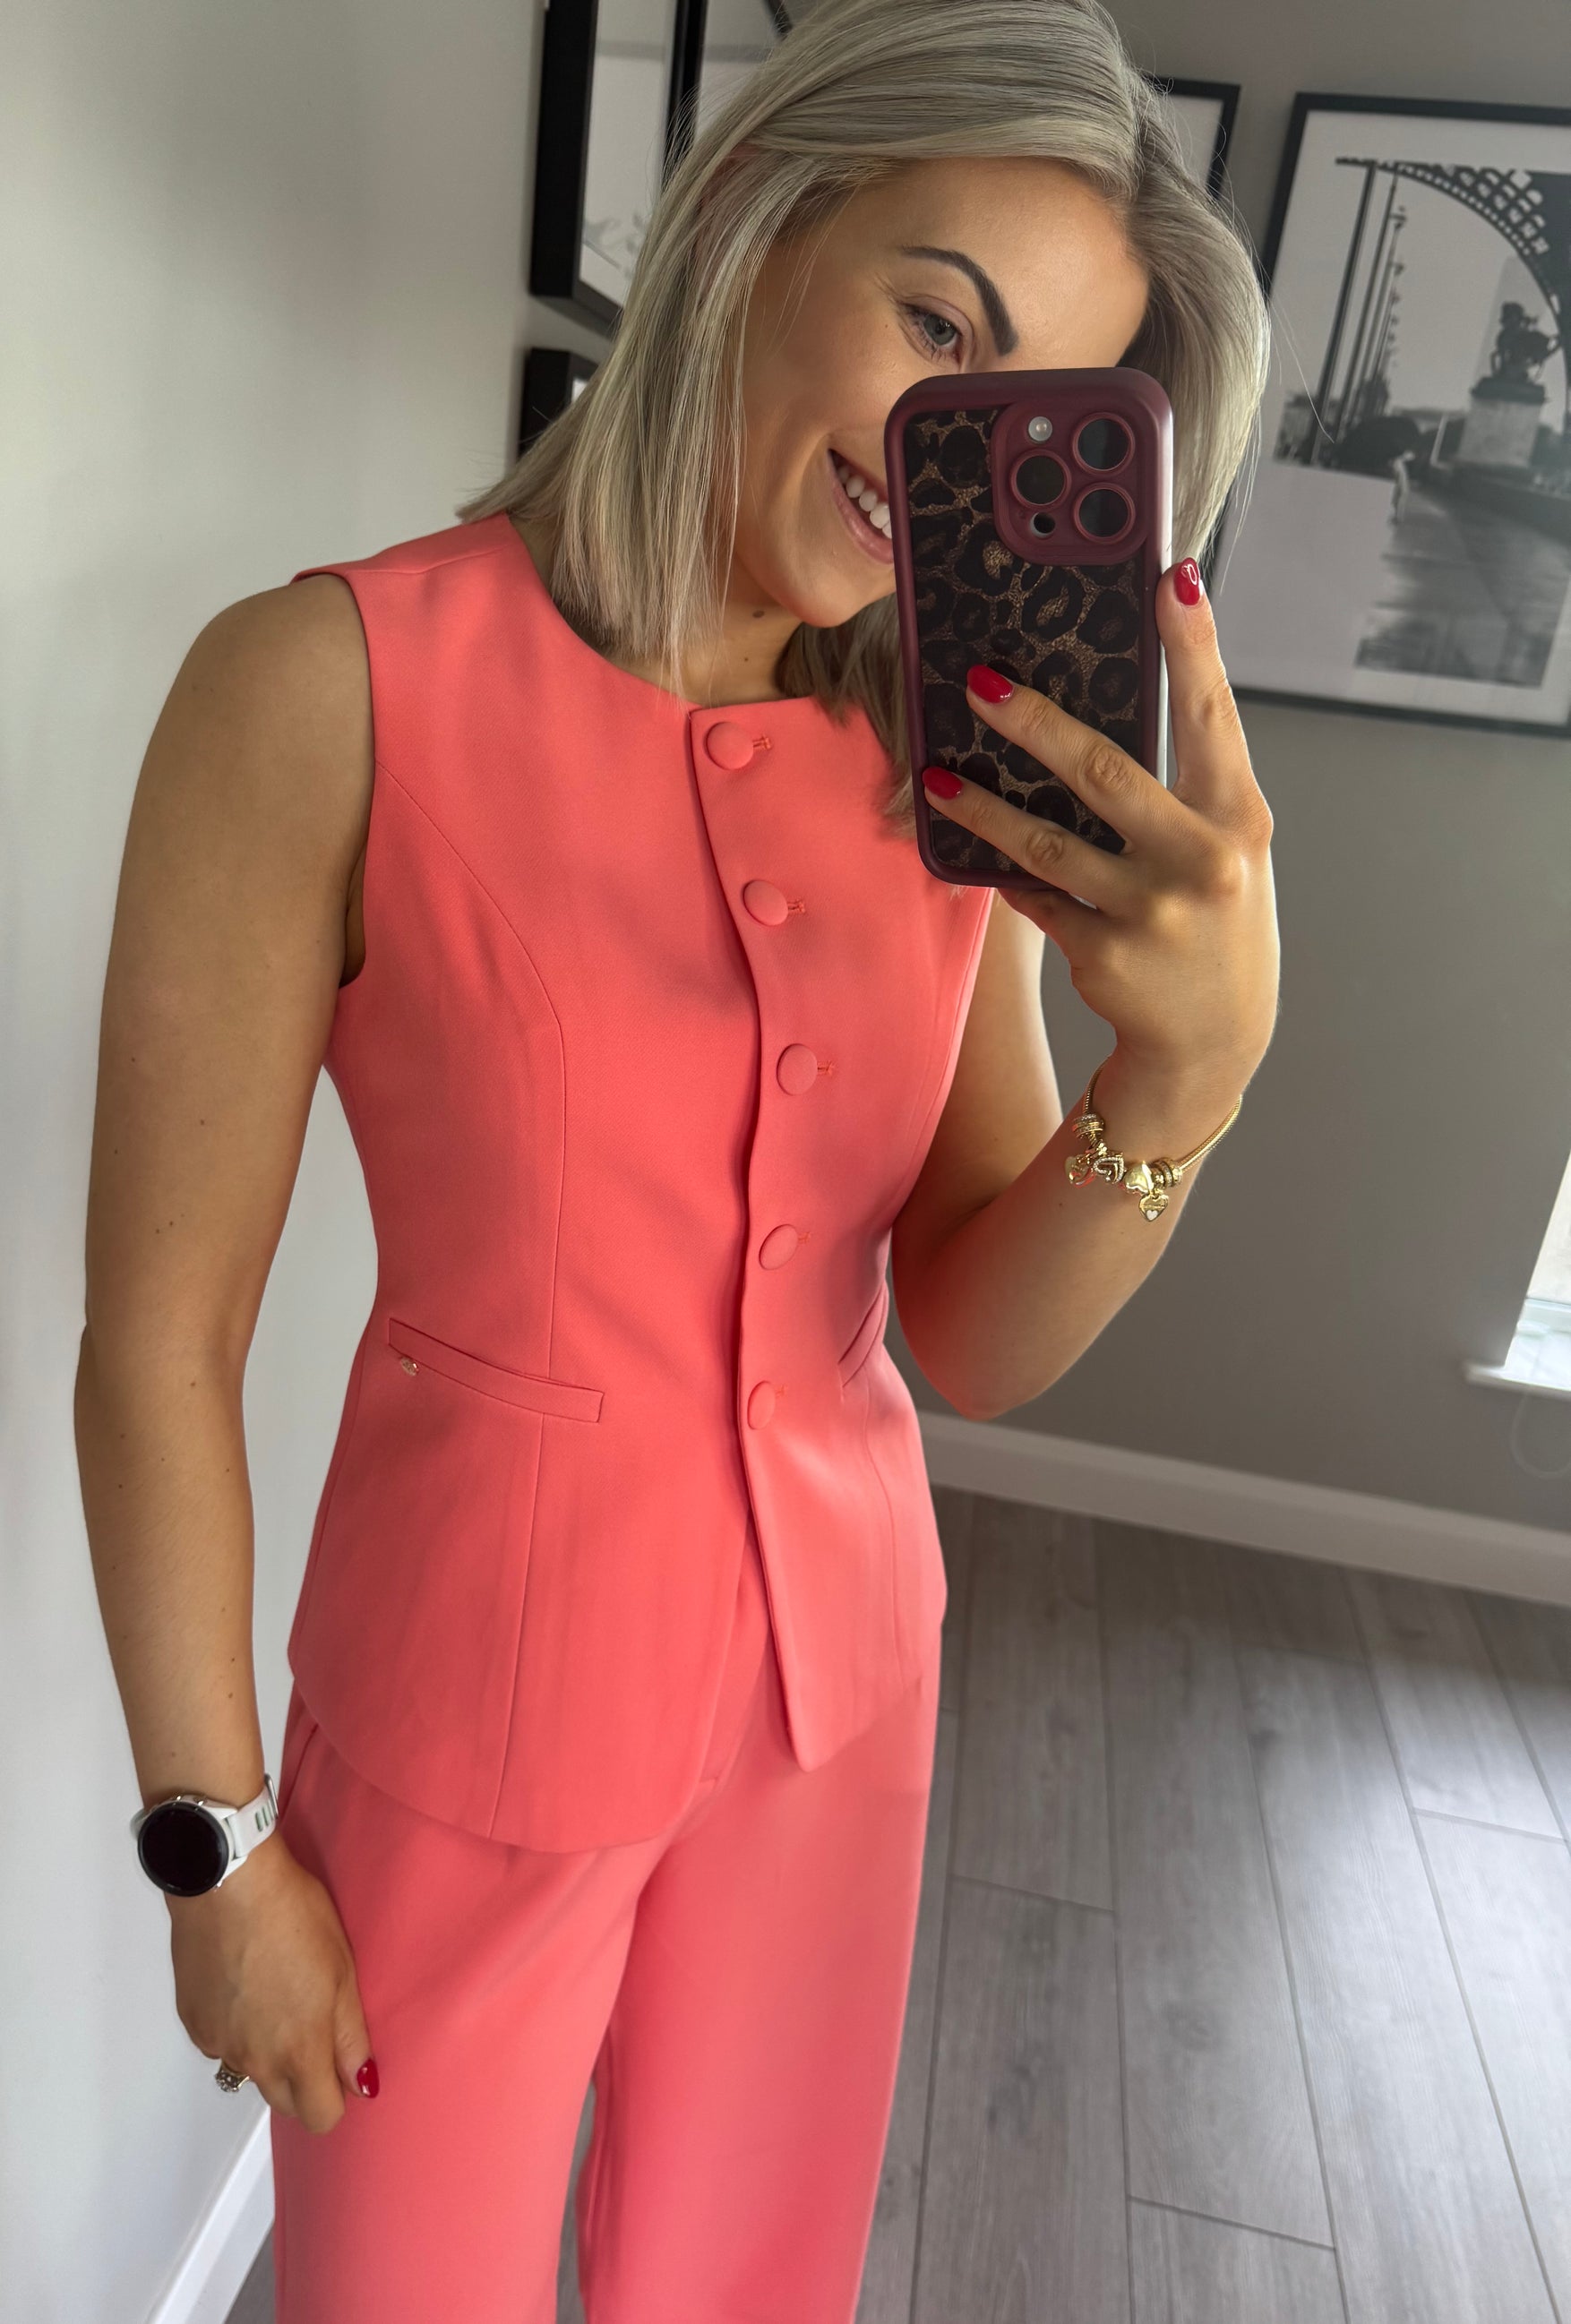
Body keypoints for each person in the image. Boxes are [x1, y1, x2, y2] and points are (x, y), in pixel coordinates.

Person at [73, 0, 1279, 2314]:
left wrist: (1186, 1080)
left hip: (840, 1701)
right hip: (465, 1715)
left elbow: (968, 1332)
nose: (943, 446)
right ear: (749, 215)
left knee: (752, 2284)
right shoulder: (322, 689)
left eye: (1025, 403)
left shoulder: (951, 771)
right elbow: (159, 1345)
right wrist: (214, 1849)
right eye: (937, 324)